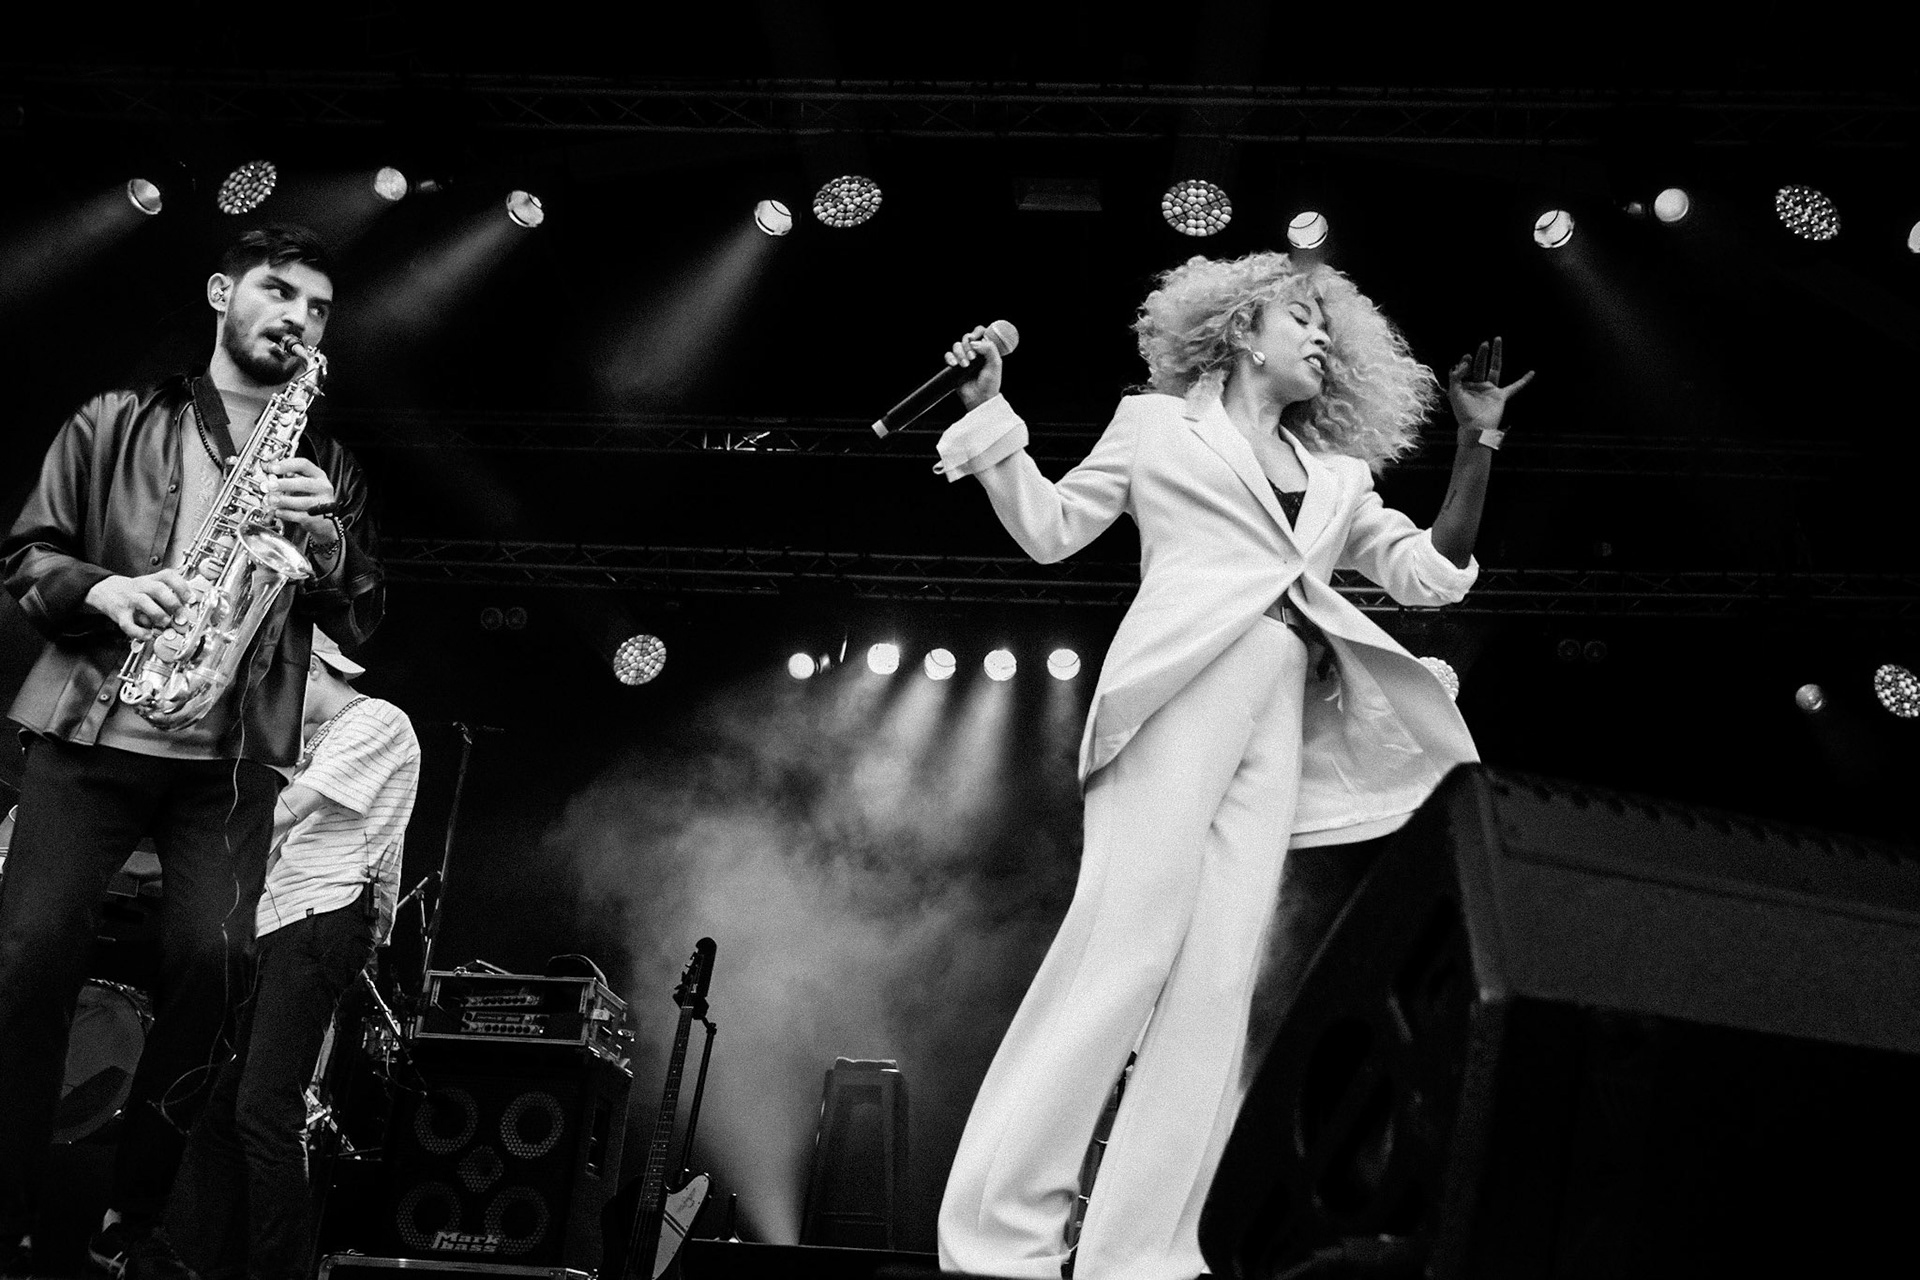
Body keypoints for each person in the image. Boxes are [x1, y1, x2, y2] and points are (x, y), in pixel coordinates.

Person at [931, 250, 1532, 1280]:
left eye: (1325, 328)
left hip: (1278, 701)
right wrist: (993, 418)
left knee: (1215, 982)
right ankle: (1000, 1236)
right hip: (1180, 687)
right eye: (1300, 315)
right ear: (1241, 326)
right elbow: (1050, 529)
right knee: (1124, 953)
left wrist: (1478, 438)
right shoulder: (1157, 423)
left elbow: (1431, 574)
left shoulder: (1340, 478)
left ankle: (1145, 1251)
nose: (1317, 336)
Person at [0, 225, 384, 1280]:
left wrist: (328, 546)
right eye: (277, 290)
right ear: (223, 293)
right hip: (90, 728)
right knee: (26, 958)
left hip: (226, 757)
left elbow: (364, 621)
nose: (297, 316)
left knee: (217, 965)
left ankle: (142, 1217)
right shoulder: (114, 420)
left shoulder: (328, 465)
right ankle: (7, 1210)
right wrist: (105, 588)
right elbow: (26, 557)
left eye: (316, 305)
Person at [165, 627, 419, 1280]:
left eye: (277, 680)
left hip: (325, 919)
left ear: (314, 669)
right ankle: (187, 1262)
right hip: (285, 925)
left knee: (263, 1111)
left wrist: (194, 840)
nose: (266, 697)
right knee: (224, 1113)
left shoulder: (380, 720)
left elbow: (286, 813)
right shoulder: (314, 743)